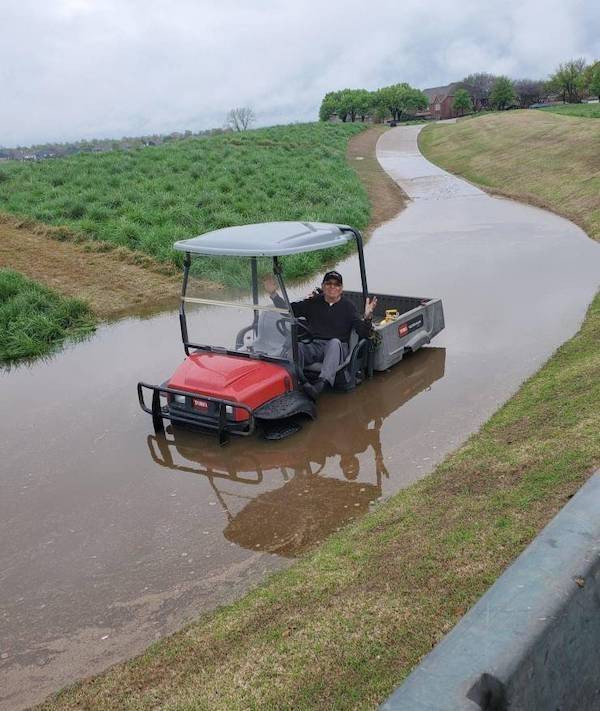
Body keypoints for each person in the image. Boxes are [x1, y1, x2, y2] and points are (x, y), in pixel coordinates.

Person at [264, 270, 377, 399]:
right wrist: (273, 294)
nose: (332, 287)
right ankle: (293, 383)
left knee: (334, 343)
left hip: (337, 348)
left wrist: (367, 318)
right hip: (314, 344)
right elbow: (288, 310)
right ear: (323, 286)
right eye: (329, 284)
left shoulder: (348, 307)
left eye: (336, 284)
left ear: (341, 289)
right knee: (297, 347)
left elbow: (363, 332)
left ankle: (322, 385)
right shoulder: (313, 302)